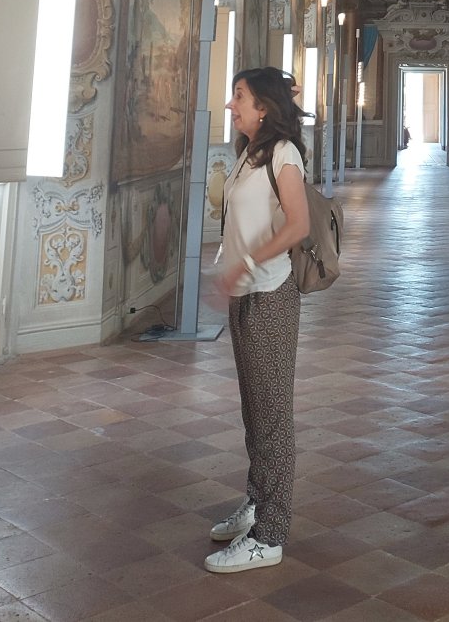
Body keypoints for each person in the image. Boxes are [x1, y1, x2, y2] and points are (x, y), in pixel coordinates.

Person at [205, 68, 311, 575]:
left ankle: (270, 533)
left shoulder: (285, 156)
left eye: (239, 96)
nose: (231, 105)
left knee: (272, 417)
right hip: (245, 294)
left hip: (270, 293)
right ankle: (256, 500)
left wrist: (247, 263)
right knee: (254, 410)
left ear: (263, 106)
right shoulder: (248, 155)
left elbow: (299, 224)